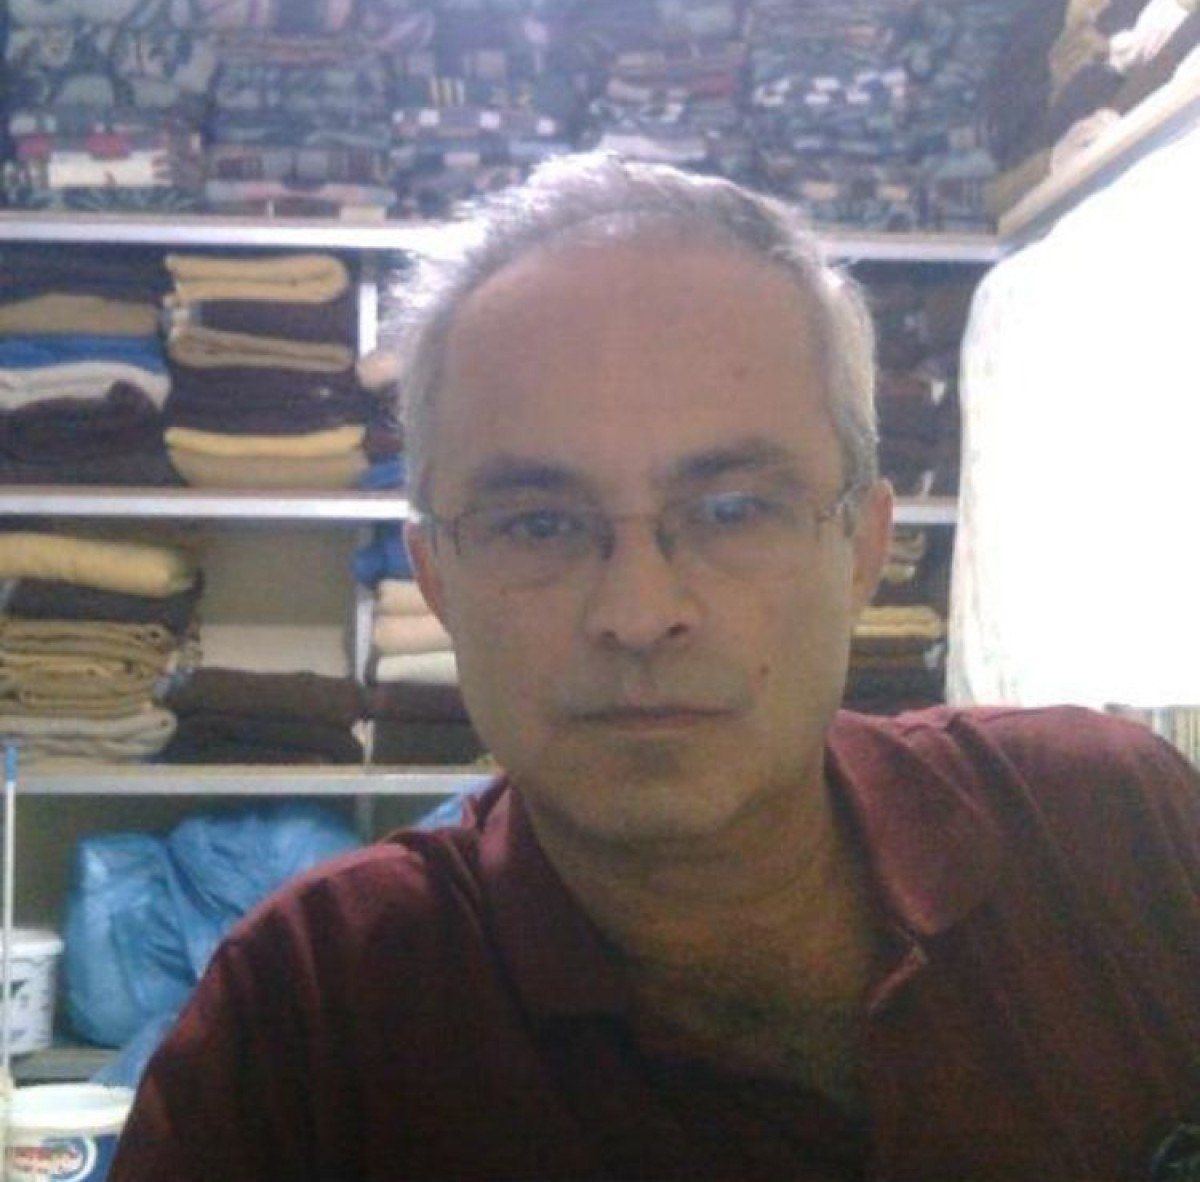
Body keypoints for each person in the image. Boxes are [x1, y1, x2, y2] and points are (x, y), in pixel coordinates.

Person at [109, 153, 1200, 1182]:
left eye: (733, 510)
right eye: (538, 523)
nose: (639, 615)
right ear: (438, 579)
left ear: (864, 548)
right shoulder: (303, 1029)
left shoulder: (1116, 832)